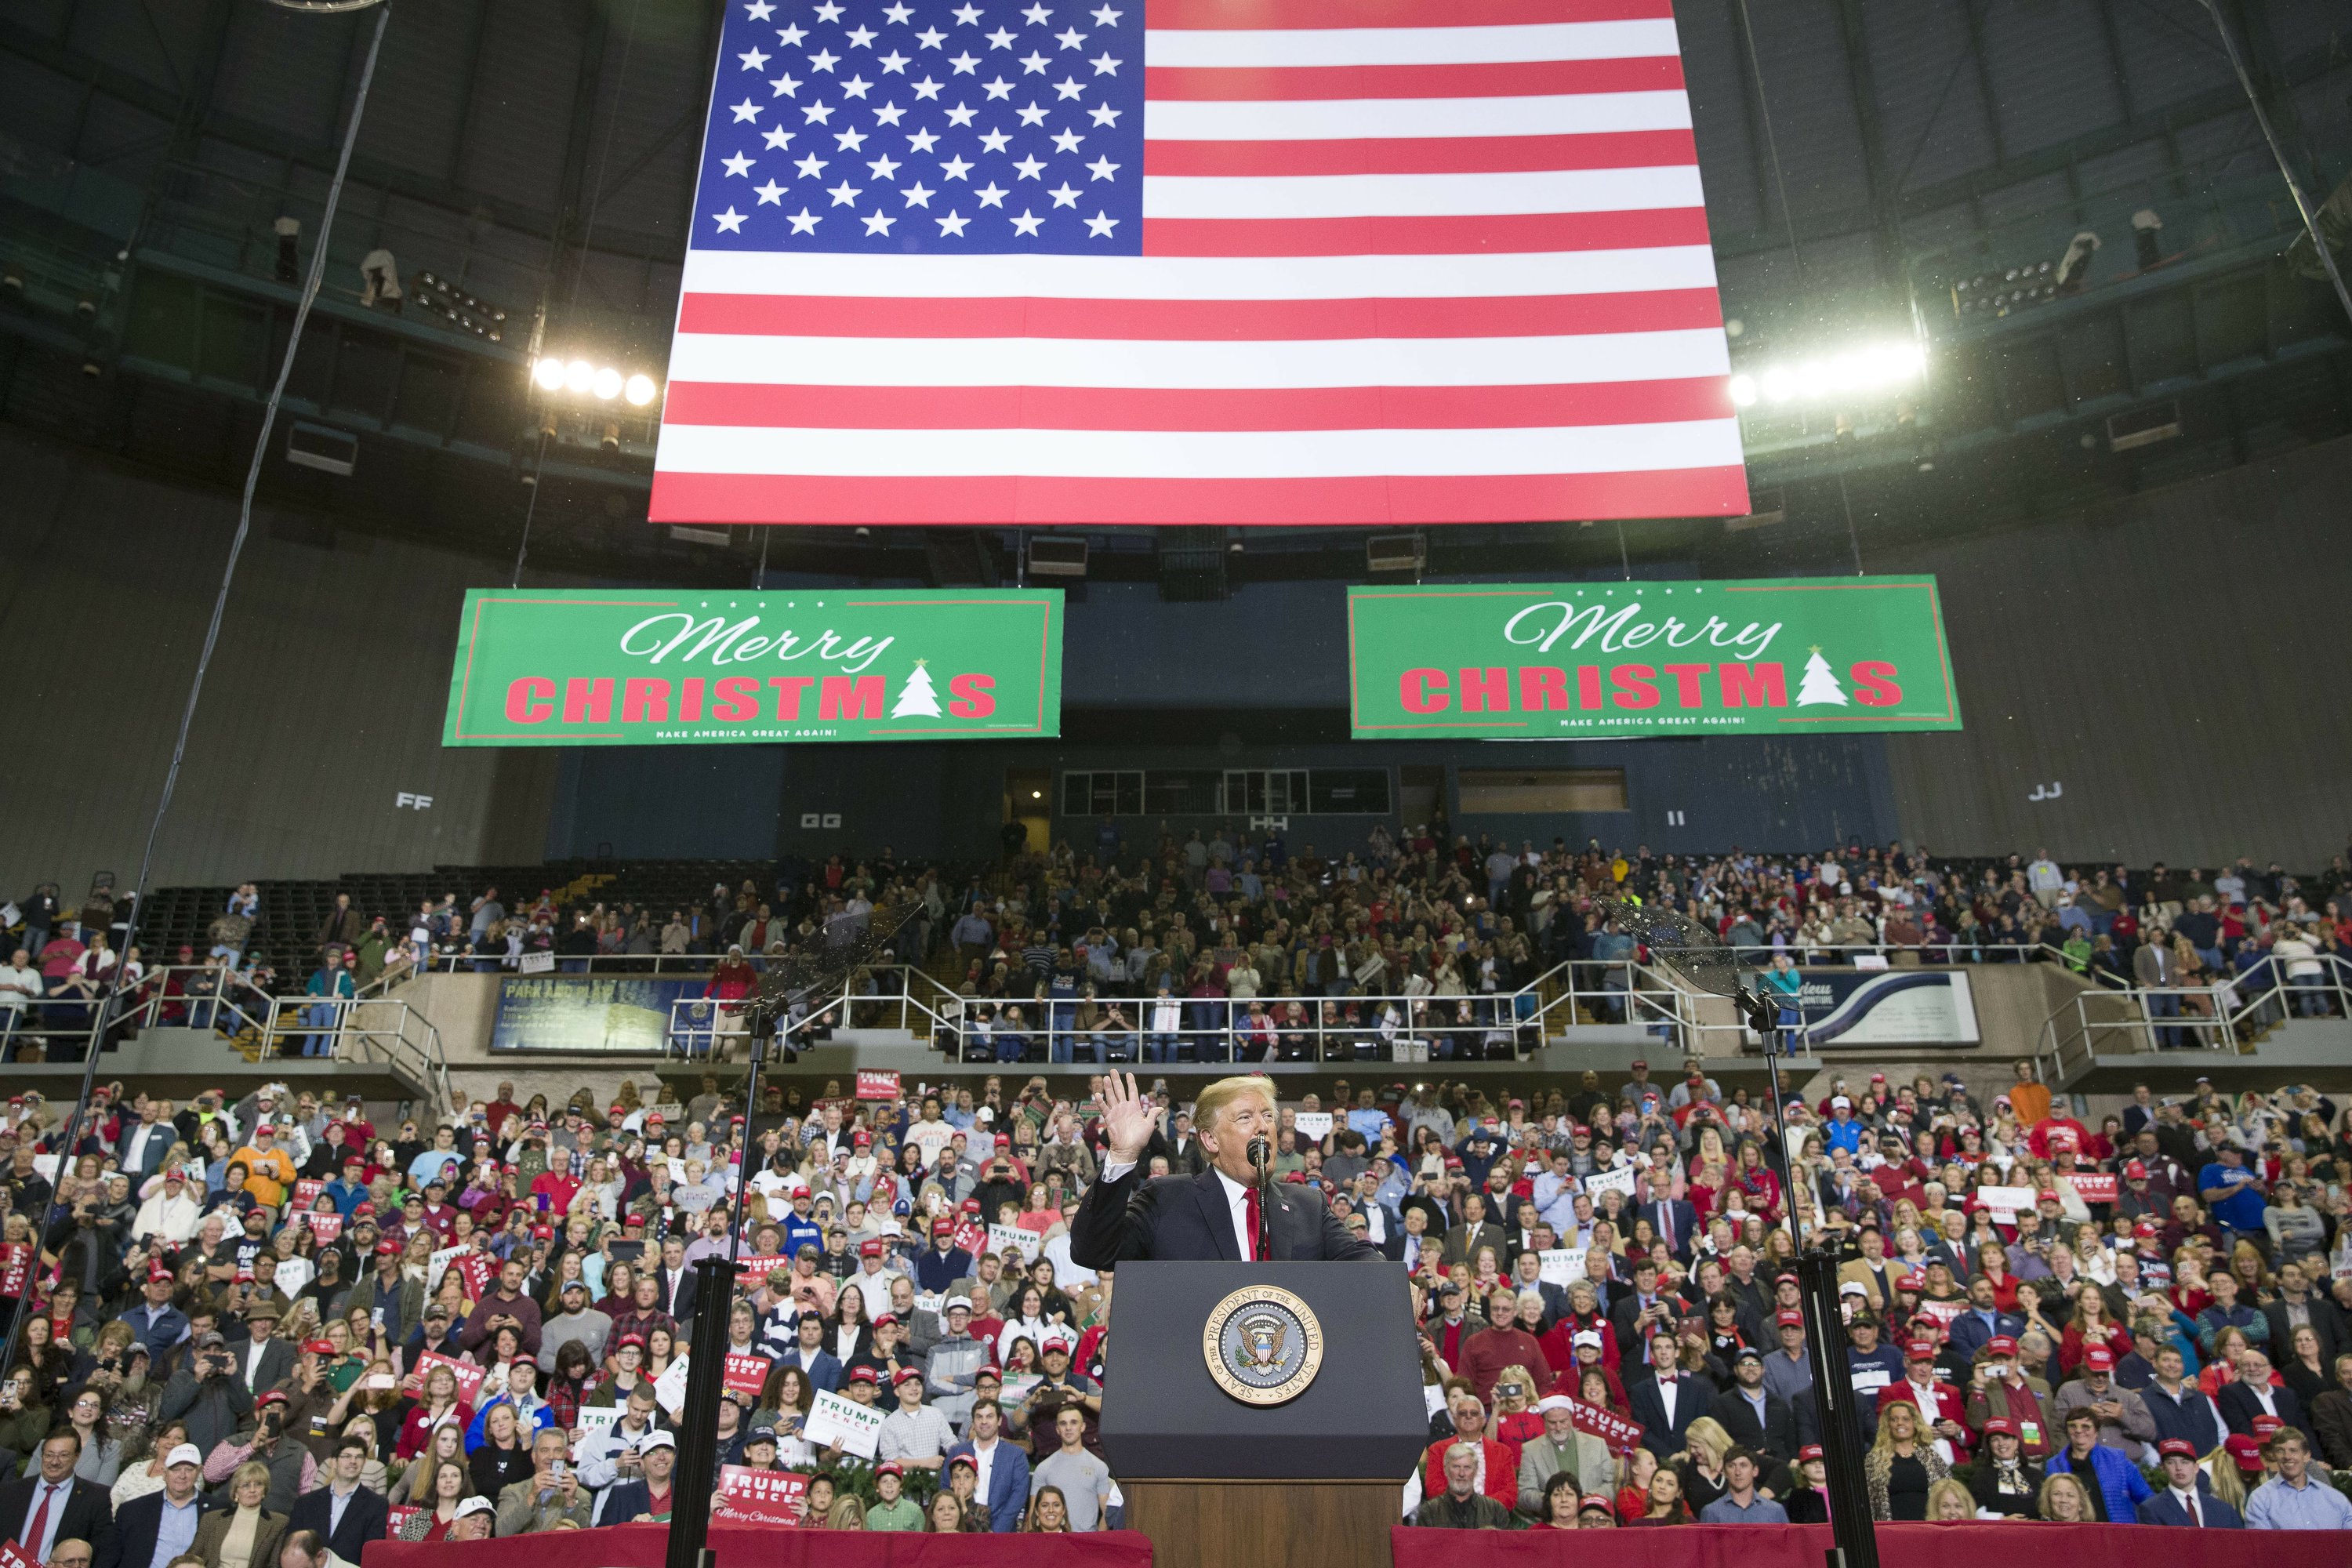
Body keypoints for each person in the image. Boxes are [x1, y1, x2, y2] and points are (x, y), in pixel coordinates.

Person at [1069, 1073, 1378, 1265]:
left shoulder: (1307, 1205)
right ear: (1210, 1139)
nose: (1262, 1127)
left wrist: (1392, 1280)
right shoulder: (1167, 1198)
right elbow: (1094, 1252)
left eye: (1268, 1117)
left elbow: (1359, 1258)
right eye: (1245, 1118)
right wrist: (1122, 1155)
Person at [0, 1432, 116, 1566]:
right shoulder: (9, 1491)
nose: (55, 1462)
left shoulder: (97, 1498)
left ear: (77, 1457)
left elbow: (103, 1549)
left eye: (63, 1455)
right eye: (49, 1455)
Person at [96, 1443, 209, 1568]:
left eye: (189, 1469)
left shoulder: (217, 1510)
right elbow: (109, 1556)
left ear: (199, 1472)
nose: (182, 1475)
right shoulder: (133, 1510)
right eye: (175, 1469)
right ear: (164, 1473)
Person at [279, 1439, 381, 1565]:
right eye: (347, 1456)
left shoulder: (377, 1505)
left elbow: (372, 1553)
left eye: (359, 1457)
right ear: (334, 1462)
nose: (353, 1461)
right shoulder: (306, 1503)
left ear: (364, 1462)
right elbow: (290, 1547)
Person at [2044, 1408, 2150, 1522]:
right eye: (2072, 1426)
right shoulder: (2054, 1465)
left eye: (2086, 1426)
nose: (2079, 1431)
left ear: (2096, 1432)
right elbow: (2048, 1506)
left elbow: (2146, 1498)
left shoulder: (2118, 1459)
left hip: (2117, 1534)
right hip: (2074, 1534)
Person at [942, 1398, 1029, 1534]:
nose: (984, 1422)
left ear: (999, 1420)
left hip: (1001, 1533)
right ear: (973, 1421)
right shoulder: (957, 1451)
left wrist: (996, 1532)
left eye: (989, 1416)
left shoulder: (1016, 1455)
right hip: (961, 1531)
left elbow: (1018, 1496)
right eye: (979, 1417)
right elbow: (945, 1489)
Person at [2243, 1428, 2352, 1529]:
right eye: (2280, 1451)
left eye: (2293, 1450)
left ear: (2306, 1456)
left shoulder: (2336, 1499)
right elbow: (2261, 1546)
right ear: (2275, 1455)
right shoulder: (2260, 1500)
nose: (2287, 1456)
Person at [492, 1428, 589, 1535]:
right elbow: (502, 1532)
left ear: (565, 1455)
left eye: (558, 1450)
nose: (551, 1456)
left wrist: (571, 1501)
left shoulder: (581, 1495)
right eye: (544, 1450)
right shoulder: (512, 1491)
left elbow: (585, 1538)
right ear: (534, 1456)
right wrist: (531, 1496)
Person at [1029, 1407, 1109, 1531]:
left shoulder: (1099, 1467)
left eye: (1073, 1422)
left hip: (1086, 1544)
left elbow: (1107, 1513)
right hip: (1054, 1545)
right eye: (1063, 1423)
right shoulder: (1043, 1468)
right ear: (1057, 1430)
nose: (1068, 1428)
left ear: (1082, 1427)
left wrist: (1097, 1543)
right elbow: (1033, 1513)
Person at [190, 1462, 285, 1568]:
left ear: (264, 1491)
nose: (252, 1490)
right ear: (236, 1492)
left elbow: (275, 1564)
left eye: (258, 1484)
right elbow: (193, 1556)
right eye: (246, 1485)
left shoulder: (278, 1523)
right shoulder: (211, 1519)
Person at [2136, 1436, 2244, 1527]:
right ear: (2163, 1469)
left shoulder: (2223, 1509)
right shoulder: (2152, 1509)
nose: (2179, 1468)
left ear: (2196, 1467)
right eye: (2171, 1462)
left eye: (2185, 1462)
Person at [1412, 1442, 1515, 1529]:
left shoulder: (1495, 1510)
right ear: (1446, 1470)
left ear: (1475, 1471)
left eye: (1467, 1467)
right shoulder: (1429, 1511)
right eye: (1456, 1467)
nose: (1461, 1474)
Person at [1697, 1446, 1786, 1523]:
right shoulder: (1711, 1512)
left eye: (1743, 1465)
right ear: (1724, 1472)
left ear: (1755, 1471)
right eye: (1732, 1466)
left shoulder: (1775, 1511)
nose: (1738, 1472)